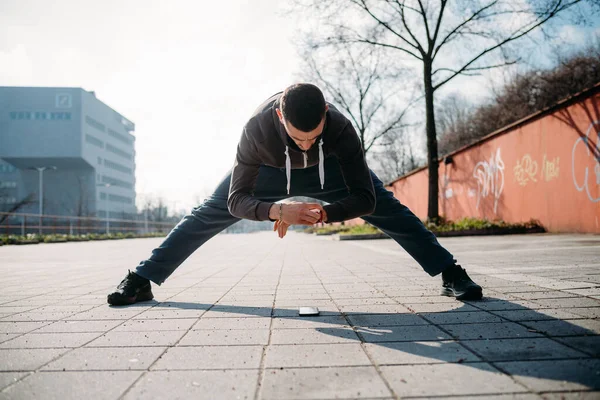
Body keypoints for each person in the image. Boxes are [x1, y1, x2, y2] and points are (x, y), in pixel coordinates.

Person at [107, 83, 483, 306]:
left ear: (325, 113)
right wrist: (276, 211)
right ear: (279, 116)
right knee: (207, 212)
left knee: (389, 208)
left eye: (314, 134)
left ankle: (451, 273)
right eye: (298, 137)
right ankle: (141, 279)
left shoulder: (342, 130)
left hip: (330, 171)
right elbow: (237, 201)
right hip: (271, 173)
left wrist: (323, 214)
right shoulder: (255, 130)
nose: (306, 143)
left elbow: (366, 200)